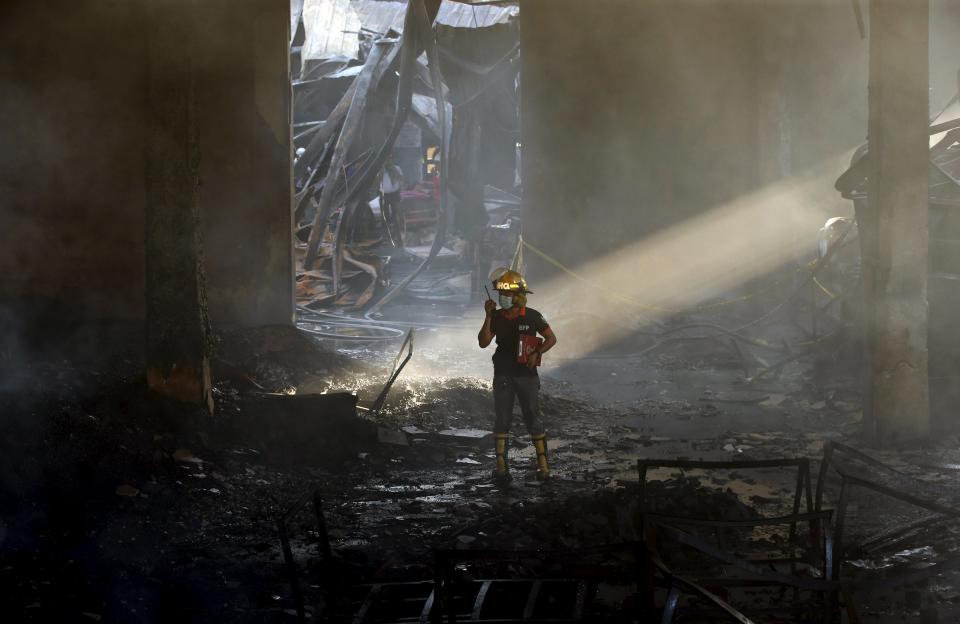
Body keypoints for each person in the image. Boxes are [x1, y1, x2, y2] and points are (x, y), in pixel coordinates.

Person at [477, 269, 557, 482]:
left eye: (508, 294)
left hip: (527, 375)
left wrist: (538, 353)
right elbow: (483, 342)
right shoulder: (496, 316)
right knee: (502, 419)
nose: (503, 298)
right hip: (503, 373)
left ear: (518, 296)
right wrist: (487, 315)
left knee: (533, 417)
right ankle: (502, 468)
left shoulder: (532, 316)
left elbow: (551, 338)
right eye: (501, 294)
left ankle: (543, 468)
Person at [379, 153, 405, 246]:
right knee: (384, 216)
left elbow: (402, 179)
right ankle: (385, 236)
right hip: (384, 195)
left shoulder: (397, 168)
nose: (388, 161)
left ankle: (398, 236)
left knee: (395, 216)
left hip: (395, 194)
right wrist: (381, 171)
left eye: (389, 159)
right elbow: (376, 182)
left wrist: (395, 172)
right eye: (386, 159)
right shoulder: (380, 169)